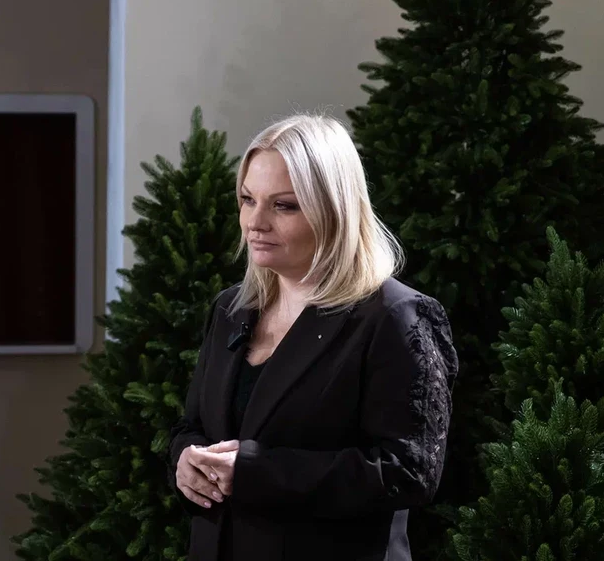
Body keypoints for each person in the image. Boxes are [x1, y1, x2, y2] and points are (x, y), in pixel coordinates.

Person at [167, 112, 459, 560]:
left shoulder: (396, 316)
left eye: (283, 205)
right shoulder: (230, 308)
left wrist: (256, 471)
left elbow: (409, 471)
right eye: (247, 199)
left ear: (334, 209)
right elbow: (193, 427)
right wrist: (186, 459)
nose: (255, 222)